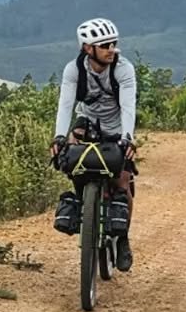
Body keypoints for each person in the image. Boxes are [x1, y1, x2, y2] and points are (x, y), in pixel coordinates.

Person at [50, 17, 139, 270]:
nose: (112, 49)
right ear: (88, 49)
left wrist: (128, 138)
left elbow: (128, 106)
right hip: (87, 122)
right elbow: (65, 105)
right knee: (72, 154)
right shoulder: (74, 70)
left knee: (122, 179)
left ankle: (123, 240)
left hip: (117, 126)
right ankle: (84, 205)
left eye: (113, 43)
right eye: (105, 45)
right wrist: (59, 136)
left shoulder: (123, 69)